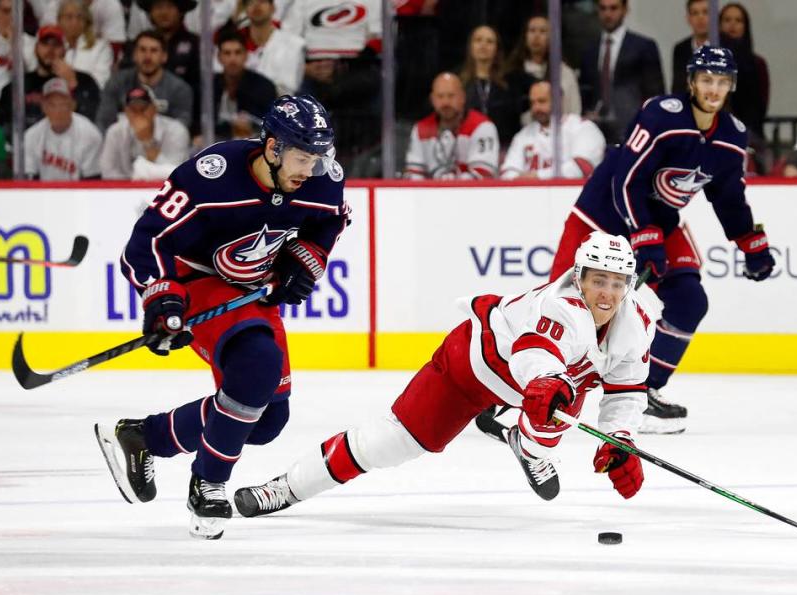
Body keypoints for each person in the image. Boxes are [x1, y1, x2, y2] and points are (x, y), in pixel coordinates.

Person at [233, 232, 650, 517]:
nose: (607, 294)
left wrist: (622, 440)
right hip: (472, 367)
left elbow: (626, 389)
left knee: (548, 423)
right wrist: (544, 382)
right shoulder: (560, 307)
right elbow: (535, 354)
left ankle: (526, 444)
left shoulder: (636, 322)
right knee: (390, 443)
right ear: (579, 278)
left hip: (544, 386)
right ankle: (286, 487)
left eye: (617, 283)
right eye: (598, 281)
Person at [95, 94, 349, 540]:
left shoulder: (321, 180)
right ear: (272, 148)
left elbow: (327, 225)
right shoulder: (210, 176)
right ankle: (208, 484)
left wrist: (304, 260)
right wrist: (162, 302)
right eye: (302, 156)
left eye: (317, 157)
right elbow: (146, 243)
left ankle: (144, 438)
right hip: (197, 282)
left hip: (252, 291)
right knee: (258, 366)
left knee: (268, 420)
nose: (310, 169)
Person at [548, 46, 775, 434]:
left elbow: (729, 198)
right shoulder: (662, 116)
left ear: (731, 86)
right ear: (691, 82)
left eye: (722, 81)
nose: (713, 89)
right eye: (706, 80)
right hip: (602, 214)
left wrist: (751, 244)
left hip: (659, 222)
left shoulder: (732, 137)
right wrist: (644, 239)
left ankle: (641, 393)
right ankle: (515, 389)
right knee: (561, 308)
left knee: (689, 300)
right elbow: (626, 179)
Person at [578, 0, 665, 144]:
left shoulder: (643, 47)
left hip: (633, 128)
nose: (608, 14)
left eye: (613, 8)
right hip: (595, 131)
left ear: (625, 10)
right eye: (603, 8)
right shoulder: (589, 50)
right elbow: (585, 91)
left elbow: (655, 94)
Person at [0, 25, 100, 136]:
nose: (50, 50)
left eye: (56, 45)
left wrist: (73, 85)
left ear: (64, 50)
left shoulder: (84, 81)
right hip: (26, 146)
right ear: (36, 49)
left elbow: (92, 119)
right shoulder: (19, 84)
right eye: (45, 44)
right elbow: (1, 123)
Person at [500, 81, 605, 180]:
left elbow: (582, 168)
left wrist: (537, 176)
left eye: (542, 101)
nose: (536, 108)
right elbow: (507, 172)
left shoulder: (584, 128)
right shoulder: (523, 135)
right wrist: (521, 179)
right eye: (532, 103)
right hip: (531, 196)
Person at [404, 71, 499, 180]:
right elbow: (413, 175)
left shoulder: (482, 126)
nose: (446, 102)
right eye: (440, 96)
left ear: (463, 97)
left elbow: (483, 175)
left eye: (451, 96)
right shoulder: (420, 129)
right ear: (432, 99)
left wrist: (446, 186)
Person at [96, 30, 193, 131]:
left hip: (163, 144)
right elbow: (103, 122)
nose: (147, 57)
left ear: (164, 57)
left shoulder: (179, 89)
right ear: (134, 55)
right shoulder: (117, 82)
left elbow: (181, 128)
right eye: (142, 50)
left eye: (154, 50)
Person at [458, 24, 532, 148]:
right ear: (470, 46)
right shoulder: (458, 82)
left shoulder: (512, 80)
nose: (483, 45)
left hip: (505, 148)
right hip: (468, 148)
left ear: (497, 49)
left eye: (489, 41)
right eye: (478, 40)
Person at [100, 85, 190, 180]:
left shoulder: (176, 130)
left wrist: (147, 142)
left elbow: (177, 174)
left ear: (154, 109)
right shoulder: (115, 132)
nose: (139, 115)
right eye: (133, 110)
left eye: (143, 109)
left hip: (165, 189)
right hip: (125, 191)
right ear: (126, 111)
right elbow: (108, 173)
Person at [23, 77, 102, 180]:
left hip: (79, 194)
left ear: (73, 105)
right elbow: (30, 178)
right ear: (43, 107)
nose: (58, 110)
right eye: (52, 105)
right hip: (43, 194)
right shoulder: (31, 135)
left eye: (63, 104)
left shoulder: (90, 134)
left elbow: (92, 180)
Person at [507, 14, 582, 122]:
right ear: (525, 36)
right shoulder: (512, 74)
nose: (536, 36)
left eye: (543, 31)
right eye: (532, 30)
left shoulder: (564, 73)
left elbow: (574, 111)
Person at [212, 29, 277, 141]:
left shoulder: (264, 87)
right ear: (219, 57)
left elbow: (269, 126)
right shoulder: (210, 86)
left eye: (238, 52)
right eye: (227, 53)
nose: (232, 59)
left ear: (246, 56)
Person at [718, 3, 769, 143]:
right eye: (727, 20)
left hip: (748, 134)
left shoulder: (757, 64)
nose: (732, 24)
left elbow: (761, 106)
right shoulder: (710, 61)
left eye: (738, 20)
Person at [58, 0, 113, 90]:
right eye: (69, 17)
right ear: (59, 20)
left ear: (86, 22)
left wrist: (73, 79)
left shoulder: (101, 47)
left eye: (80, 17)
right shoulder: (52, 46)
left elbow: (100, 84)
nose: (74, 22)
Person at [671, 0, 709, 94]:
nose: (700, 17)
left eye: (705, 12)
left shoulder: (727, 46)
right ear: (688, 18)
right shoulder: (680, 49)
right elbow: (678, 88)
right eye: (695, 13)